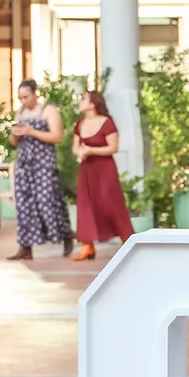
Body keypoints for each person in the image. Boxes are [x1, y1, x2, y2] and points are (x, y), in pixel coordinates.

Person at [6, 79, 72, 261]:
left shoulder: (48, 111)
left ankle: (66, 235)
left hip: (43, 161)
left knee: (47, 201)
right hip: (24, 162)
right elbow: (13, 143)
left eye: (26, 97)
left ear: (35, 94)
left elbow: (57, 136)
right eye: (20, 98)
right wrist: (15, 134)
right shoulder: (20, 113)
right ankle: (25, 247)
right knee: (24, 204)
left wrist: (32, 132)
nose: (23, 101)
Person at [69, 89, 135, 260]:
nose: (80, 101)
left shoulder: (107, 123)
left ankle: (128, 240)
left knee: (111, 202)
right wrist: (80, 153)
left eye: (83, 99)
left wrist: (91, 150)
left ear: (93, 103)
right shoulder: (80, 124)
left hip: (104, 168)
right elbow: (75, 147)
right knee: (86, 203)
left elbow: (113, 147)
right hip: (86, 169)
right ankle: (87, 246)